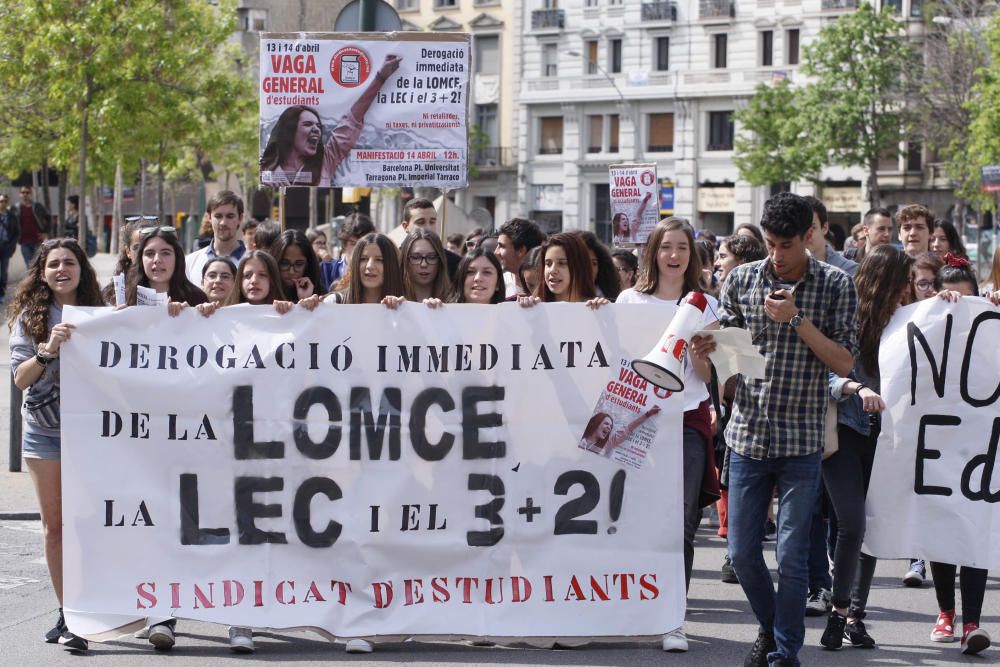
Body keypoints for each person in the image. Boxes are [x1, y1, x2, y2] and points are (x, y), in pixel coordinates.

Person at [691, 192, 858, 667]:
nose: (778, 255)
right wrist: (710, 353)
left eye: (786, 245)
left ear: (809, 237)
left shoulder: (834, 285)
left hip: (802, 441)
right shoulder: (742, 279)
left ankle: (785, 651)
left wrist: (797, 320)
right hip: (747, 435)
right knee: (742, 554)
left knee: (791, 558)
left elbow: (845, 360)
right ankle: (771, 627)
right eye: (770, 244)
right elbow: (728, 360)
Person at [617, 217, 721, 652]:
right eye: (665, 247)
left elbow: (708, 377)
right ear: (653, 253)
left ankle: (671, 617)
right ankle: (631, 609)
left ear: (691, 255)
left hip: (687, 424)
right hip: (638, 423)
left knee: (680, 523)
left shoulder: (706, 305)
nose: (673, 255)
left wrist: (701, 354)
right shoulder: (628, 301)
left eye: (681, 247)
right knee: (632, 521)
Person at [8, 239, 103, 652]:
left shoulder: (103, 314)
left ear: (82, 269)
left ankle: (100, 603)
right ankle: (69, 612)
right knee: (55, 527)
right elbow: (20, 379)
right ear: (42, 273)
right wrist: (48, 351)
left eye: (69, 262)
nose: (62, 269)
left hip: (97, 434)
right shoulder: (30, 318)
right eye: (53, 264)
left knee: (92, 524)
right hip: (45, 433)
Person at [819, 246, 913, 651]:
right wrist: (857, 387)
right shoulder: (846, 315)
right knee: (852, 523)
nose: (906, 291)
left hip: (886, 438)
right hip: (843, 432)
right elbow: (825, 373)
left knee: (868, 526)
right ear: (884, 282)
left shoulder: (905, 320)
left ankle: (853, 615)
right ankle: (840, 610)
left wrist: (951, 303)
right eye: (901, 283)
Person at [925, 254, 997, 656]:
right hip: (936, 442)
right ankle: (945, 612)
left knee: (973, 528)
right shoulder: (927, 326)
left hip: (980, 443)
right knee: (941, 528)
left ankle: (972, 621)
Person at [260, 56, 401, 186]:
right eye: (308, 124)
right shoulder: (267, 170)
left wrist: (380, 78)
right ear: (289, 131)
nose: (316, 129)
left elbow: (351, 121)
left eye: (318, 125)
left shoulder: (325, 161)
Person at [126, 227, 209, 311]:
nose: (157, 260)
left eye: (165, 253)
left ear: (177, 258)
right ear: (141, 259)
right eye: (150, 253)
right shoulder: (126, 297)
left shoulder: (197, 298)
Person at [185, 191, 247, 284]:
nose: (223, 223)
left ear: (240, 218)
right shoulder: (190, 262)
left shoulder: (253, 263)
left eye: (230, 216)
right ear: (209, 217)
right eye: (218, 216)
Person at [328, 233, 405, 307]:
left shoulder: (404, 306)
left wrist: (402, 308)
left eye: (379, 260)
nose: (370, 266)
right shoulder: (333, 303)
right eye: (363, 259)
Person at [399, 198, 461, 278]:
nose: (428, 227)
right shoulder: (394, 260)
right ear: (405, 226)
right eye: (420, 222)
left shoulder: (454, 263)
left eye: (432, 222)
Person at [802, 196, 857, 276]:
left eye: (812, 228)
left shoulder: (848, 270)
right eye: (800, 227)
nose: (806, 234)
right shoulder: (784, 269)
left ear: (825, 228)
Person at [320, 212, 375, 290]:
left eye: (363, 244)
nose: (358, 249)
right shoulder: (325, 270)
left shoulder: (376, 273)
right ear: (344, 244)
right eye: (353, 244)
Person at [579, 407, 662, 457]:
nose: (609, 427)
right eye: (606, 423)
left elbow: (628, 429)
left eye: (611, 426)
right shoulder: (579, 434)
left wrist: (647, 414)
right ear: (596, 423)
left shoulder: (607, 444)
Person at [496, 218, 546, 297]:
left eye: (502, 246)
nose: (496, 252)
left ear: (520, 250)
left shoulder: (550, 287)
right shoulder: (497, 286)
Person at [268, 229, 322, 302]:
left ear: (308, 265)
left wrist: (305, 300)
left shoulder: (321, 298)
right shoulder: (262, 293)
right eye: (284, 263)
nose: (291, 272)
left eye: (299, 264)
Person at [399, 228, 450, 302]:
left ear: (440, 261)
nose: (424, 264)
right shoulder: (392, 298)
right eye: (416, 257)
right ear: (405, 260)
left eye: (431, 257)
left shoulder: (454, 300)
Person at [575, 230, 621, 301]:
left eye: (594, 263)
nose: (589, 269)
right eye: (583, 262)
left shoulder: (613, 301)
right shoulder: (554, 299)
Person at [14, 186, 52, 266]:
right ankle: (32, 279)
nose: (25, 194)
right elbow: (11, 223)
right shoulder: (16, 208)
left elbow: (49, 218)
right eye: (23, 192)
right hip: (24, 241)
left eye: (27, 192)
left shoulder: (38, 206)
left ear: (31, 194)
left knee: (39, 264)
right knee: (29, 265)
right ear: (19, 194)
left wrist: (45, 232)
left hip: (37, 240)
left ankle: (38, 278)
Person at [0, 193, 21, 302]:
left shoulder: (12, 216)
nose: (2, 203)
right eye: (1, 201)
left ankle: (2, 294)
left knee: (3, 272)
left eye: (4, 201)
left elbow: (17, 233)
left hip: (6, 247)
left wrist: (11, 245)